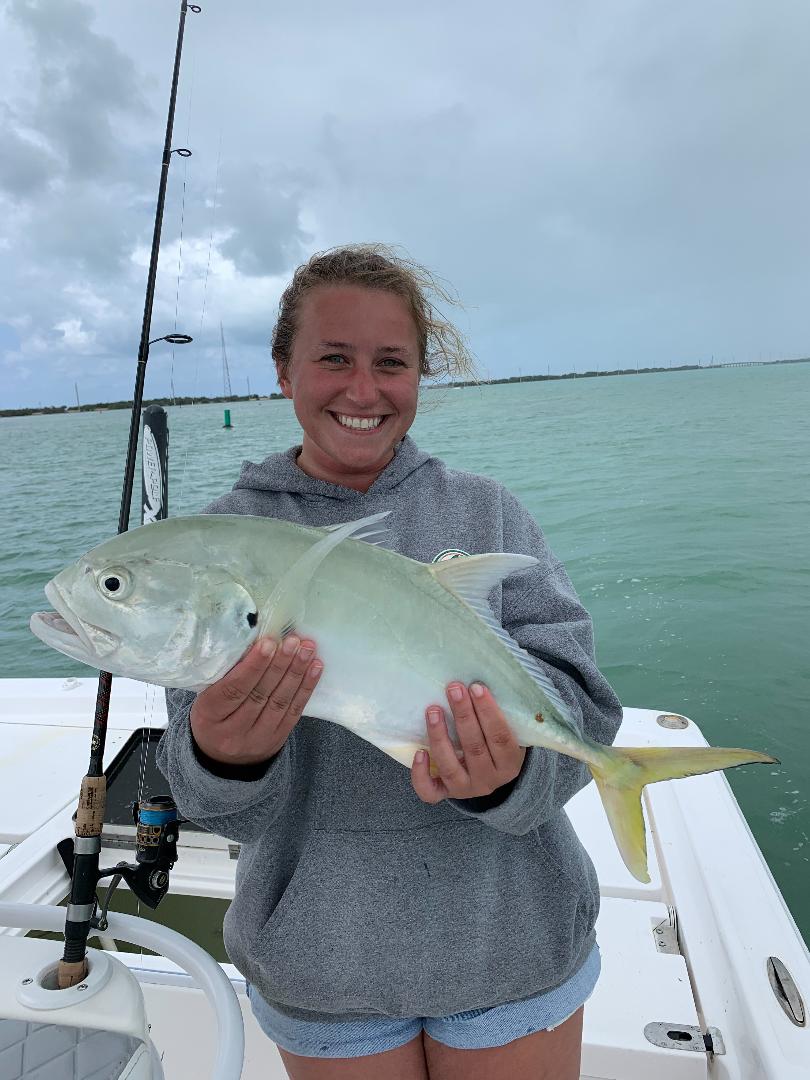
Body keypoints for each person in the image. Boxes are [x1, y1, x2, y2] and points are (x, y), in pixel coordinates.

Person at [157, 244, 623, 1080]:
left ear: (420, 374)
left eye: (391, 364)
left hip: (508, 943)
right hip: (325, 966)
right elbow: (210, 805)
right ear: (283, 369)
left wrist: (509, 775)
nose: (363, 391)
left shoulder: (486, 511)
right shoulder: (221, 547)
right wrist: (224, 755)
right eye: (333, 358)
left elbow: (583, 710)